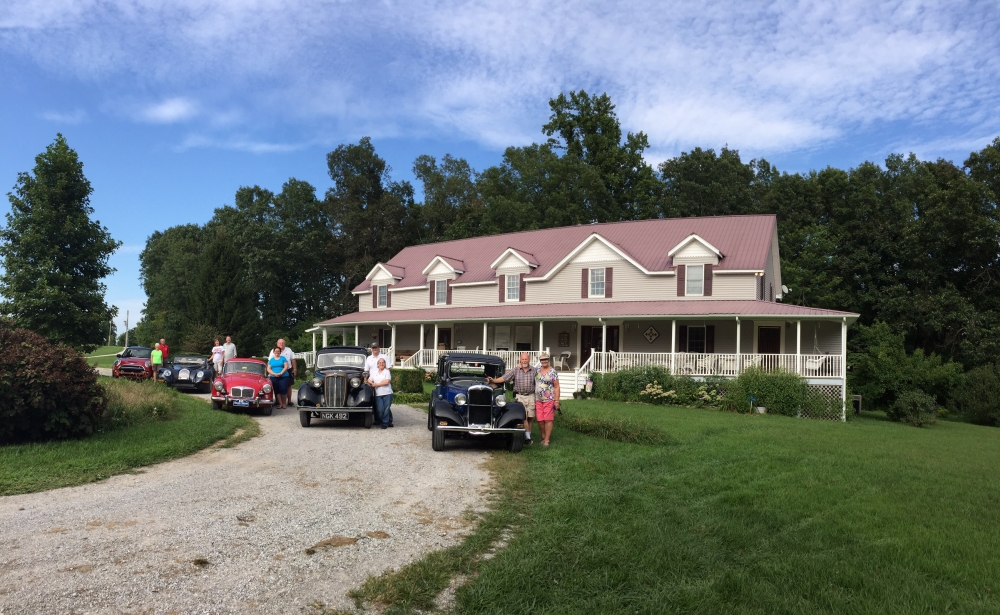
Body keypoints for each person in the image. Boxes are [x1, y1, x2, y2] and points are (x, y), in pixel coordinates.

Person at [488, 352, 538, 444]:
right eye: (522, 359)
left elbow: (539, 382)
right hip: (520, 395)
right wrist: (493, 380)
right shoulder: (515, 370)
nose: (524, 361)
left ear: (529, 360)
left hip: (531, 396)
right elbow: (504, 378)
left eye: (526, 359)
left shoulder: (534, 370)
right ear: (520, 360)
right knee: (524, 417)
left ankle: (528, 436)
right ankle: (526, 438)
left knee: (530, 417)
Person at [534, 352, 561, 446]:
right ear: (540, 361)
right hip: (538, 399)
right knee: (540, 420)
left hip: (549, 400)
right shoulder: (537, 370)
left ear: (548, 360)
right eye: (542, 360)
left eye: (545, 359)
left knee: (548, 420)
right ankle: (543, 436)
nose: (544, 361)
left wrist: (556, 401)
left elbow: (557, 387)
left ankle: (547, 440)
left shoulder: (552, 372)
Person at [367, 357, 394, 429]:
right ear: (378, 364)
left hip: (387, 393)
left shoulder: (387, 372)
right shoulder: (374, 372)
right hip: (378, 394)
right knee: (380, 409)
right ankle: (388, 420)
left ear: (385, 364)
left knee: (386, 409)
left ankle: (385, 423)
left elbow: (387, 381)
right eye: (380, 363)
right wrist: (372, 383)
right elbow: (369, 379)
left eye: (383, 363)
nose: (381, 364)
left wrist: (376, 384)